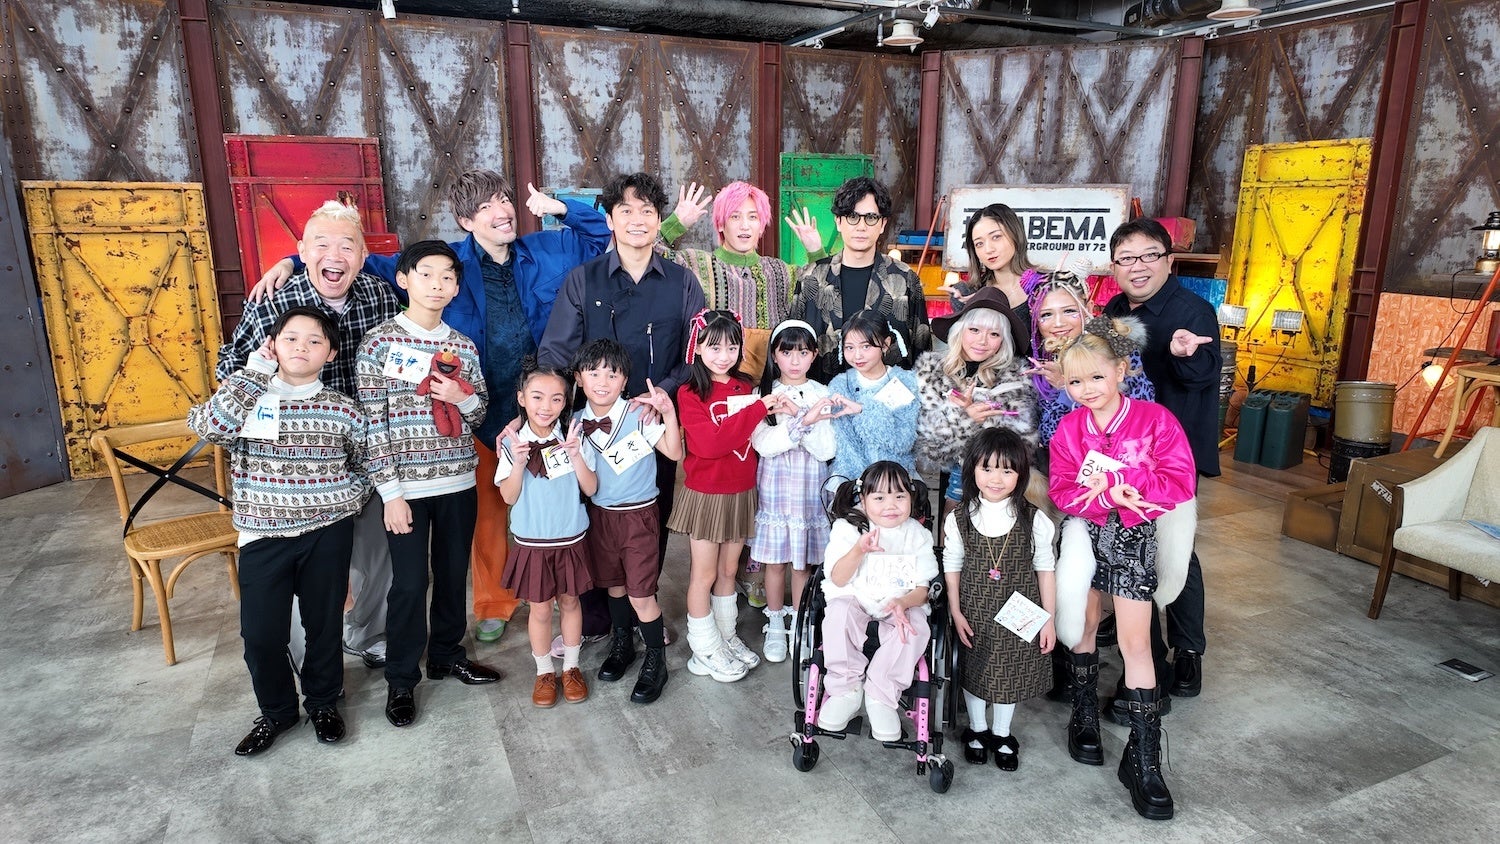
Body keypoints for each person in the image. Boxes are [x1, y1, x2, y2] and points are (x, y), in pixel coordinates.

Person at [252, 172, 613, 646]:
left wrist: (561, 207)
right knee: (488, 515)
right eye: (485, 207)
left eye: (504, 200)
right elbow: (359, 260)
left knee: (556, 496)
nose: (502, 211)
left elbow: (599, 236)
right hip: (478, 410)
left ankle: (559, 587)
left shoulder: (548, 249)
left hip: (543, 406)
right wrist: (290, 260)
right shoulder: (446, 265)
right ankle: (495, 603)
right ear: (465, 220)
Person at [217, 200, 400, 671]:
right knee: (304, 566)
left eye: (347, 246)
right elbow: (229, 365)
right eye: (321, 245)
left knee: (376, 552)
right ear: (301, 252)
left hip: (365, 450)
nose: (334, 256)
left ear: (363, 256)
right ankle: (305, 658)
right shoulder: (273, 300)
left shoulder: (380, 295)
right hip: (296, 465)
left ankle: (369, 634)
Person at [189, 307, 367, 756]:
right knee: (261, 634)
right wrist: (253, 373)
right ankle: (277, 712)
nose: (301, 347)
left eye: (314, 341)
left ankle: (323, 703)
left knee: (323, 625)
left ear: (331, 353)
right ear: (272, 344)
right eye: (290, 338)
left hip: (327, 531)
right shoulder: (247, 396)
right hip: (262, 535)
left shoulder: (343, 408)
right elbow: (210, 427)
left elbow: (367, 462)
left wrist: (344, 498)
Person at [539, 171, 707, 638]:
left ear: (659, 220)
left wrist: (661, 396)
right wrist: (541, 416)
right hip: (594, 426)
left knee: (650, 520)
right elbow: (556, 353)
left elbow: (695, 353)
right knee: (593, 516)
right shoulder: (583, 280)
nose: (637, 219)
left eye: (647, 211)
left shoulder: (682, 282)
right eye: (626, 210)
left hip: (652, 422)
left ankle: (641, 608)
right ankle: (599, 619)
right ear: (610, 220)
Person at [1048, 320, 1197, 821]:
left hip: (1135, 537)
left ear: (1121, 370)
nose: (1087, 389)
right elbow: (1062, 490)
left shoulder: (1155, 419)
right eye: (1075, 381)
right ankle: (1084, 716)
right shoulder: (1070, 429)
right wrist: (1101, 498)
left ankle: (1144, 757)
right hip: (1085, 535)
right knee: (1085, 623)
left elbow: (1179, 480)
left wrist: (1127, 483)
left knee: (1136, 643)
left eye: (1096, 377)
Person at [356, 240, 501, 729]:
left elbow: (478, 413)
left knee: (453, 572)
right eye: (426, 274)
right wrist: (390, 494)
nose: (437, 284)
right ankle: (401, 678)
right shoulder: (379, 343)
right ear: (403, 280)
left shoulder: (462, 346)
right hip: (406, 491)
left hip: (458, 479)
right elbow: (372, 424)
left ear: (456, 288)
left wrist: (461, 396)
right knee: (410, 583)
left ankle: (446, 654)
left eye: (447, 277)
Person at [1102, 218, 1220, 705]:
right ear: (1114, 267)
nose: (1139, 266)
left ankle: (1189, 650)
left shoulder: (1191, 311)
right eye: (1127, 258)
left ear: (1169, 260)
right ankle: (1146, 647)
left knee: (1176, 549)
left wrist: (1184, 354)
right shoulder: (1113, 310)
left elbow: (1203, 373)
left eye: (1149, 255)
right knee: (1134, 548)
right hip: (1125, 454)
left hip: (1171, 458)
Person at [1027, 270, 1155, 702]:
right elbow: (1051, 437)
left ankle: (1139, 688)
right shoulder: (1040, 363)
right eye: (1047, 315)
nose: (1058, 322)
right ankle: (1070, 672)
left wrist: (1071, 386)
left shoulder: (1117, 357)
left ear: (1086, 310)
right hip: (1067, 493)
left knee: (1127, 610)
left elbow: (1145, 423)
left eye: (1068, 310)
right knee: (1074, 584)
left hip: (1126, 501)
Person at [571, 339, 683, 704]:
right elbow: (586, 483)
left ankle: (656, 660)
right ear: (579, 378)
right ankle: (622, 645)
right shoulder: (575, 423)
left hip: (639, 517)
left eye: (613, 374)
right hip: (601, 516)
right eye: (593, 373)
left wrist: (668, 413)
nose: (602, 382)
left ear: (624, 380)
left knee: (640, 593)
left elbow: (674, 452)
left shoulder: (638, 413)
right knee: (615, 586)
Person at [669, 310, 776, 683]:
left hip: (742, 491)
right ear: (697, 348)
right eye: (714, 347)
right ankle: (704, 647)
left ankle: (726, 636)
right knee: (704, 574)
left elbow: (756, 438)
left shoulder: (746, 386)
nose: (724, 355)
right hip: (707, 495)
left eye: (732, 347)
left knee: (730, 571)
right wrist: (759, 408)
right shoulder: (689, 393)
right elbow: (710, 445)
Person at [942, 429, 1056, 771]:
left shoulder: (1034, 519)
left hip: (1020, 611)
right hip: (973, 609)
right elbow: (952, 564)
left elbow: (1045, 568)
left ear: (1021, 474)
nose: (996, 479)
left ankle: (1002, 732)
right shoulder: (959, 518)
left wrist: (1049, 619)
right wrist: (955, 610)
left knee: (1009, 672)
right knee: (975, 669)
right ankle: (977, 728)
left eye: (1007, 470)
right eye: (987, 468)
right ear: (972, 470)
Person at [495, 362, 596, 708]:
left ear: (565, 402)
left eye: (556, 398)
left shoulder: (574, 437)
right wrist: (518, 464)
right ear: (521, 398)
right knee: (539, 610)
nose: (546, 406)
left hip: (570, 539)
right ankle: (543, 673)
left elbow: (591, 488)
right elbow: (508, 497)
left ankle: (571, 668)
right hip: (532, 543)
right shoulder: (512, 444)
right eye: (537, 397)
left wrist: (577, 456)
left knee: (570, 602)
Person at [815, 462, 939, 743]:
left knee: (916, 626)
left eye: (899, 496)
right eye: (880, 497)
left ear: (911, 497)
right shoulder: (849, 528)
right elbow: (838, 578)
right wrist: (858, 550)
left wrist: (903, 602)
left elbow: (923, 589)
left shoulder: (916, 534)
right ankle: (845, 690)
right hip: (856, 597)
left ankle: (880, 694)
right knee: (837, 614)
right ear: (863, 499)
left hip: (899, 602)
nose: (891, 505)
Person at [658, 181, 825, 379]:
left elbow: (823, 289)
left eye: (753, 217)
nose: (744, 225)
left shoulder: (781, 271)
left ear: (761, 226)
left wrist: (816, 251)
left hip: (771, 388)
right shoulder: (694, 263)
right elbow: (642, 254)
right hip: (712, 387)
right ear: (721, 224)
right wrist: (676, 224)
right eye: (735, 216)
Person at [912, 286, 1037, 543]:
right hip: (954, 477)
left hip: (999, 479)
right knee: (952, 533)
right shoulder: (932, 370)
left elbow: (1022, 441)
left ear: (1003, 340)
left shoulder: (1014, 376)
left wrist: (979, 419)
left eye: (994, 334)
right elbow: (928, 448)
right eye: (975, 330)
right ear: (960, 330)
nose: (982, 341)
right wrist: (966, 417)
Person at [749, 320, 837, 662]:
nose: (795, 360)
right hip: (774, 485)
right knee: (775, 562)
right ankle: (775, 623)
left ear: (814, 355)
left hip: (809, 487)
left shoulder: (822, 394)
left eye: (803, 352)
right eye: (787, 353)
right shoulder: (763, 394)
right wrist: (801, 424)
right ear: (775, 355)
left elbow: (826, 448)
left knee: (801, 565)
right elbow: (764, 445)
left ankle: (800, 625)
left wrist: (799, 414)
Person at [789, 176, 930, 383]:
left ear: (882, 224)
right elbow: (791, 344)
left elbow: (922, 352)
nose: (861, 226)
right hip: (823, 396)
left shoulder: (904, 278)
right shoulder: (811, 278)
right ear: (838, 221)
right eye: (852, 216)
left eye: (871, 217)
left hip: (888, 399)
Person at [825, 311, 921, 485]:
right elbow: (844, 443)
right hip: (850, 479)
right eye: (849, 347)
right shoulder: (839, 386)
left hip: (894, 479)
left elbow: (903, 441)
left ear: (885, 344)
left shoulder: (905, 382)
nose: (857, 355)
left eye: (866, 346)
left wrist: (863, 409)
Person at [942, 203, 1043, 324]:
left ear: (1015, 235)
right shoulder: (967, 293)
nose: (988, 249)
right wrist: (970, 308)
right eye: (979, 243)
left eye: (996, 237)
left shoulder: (1044, 288)